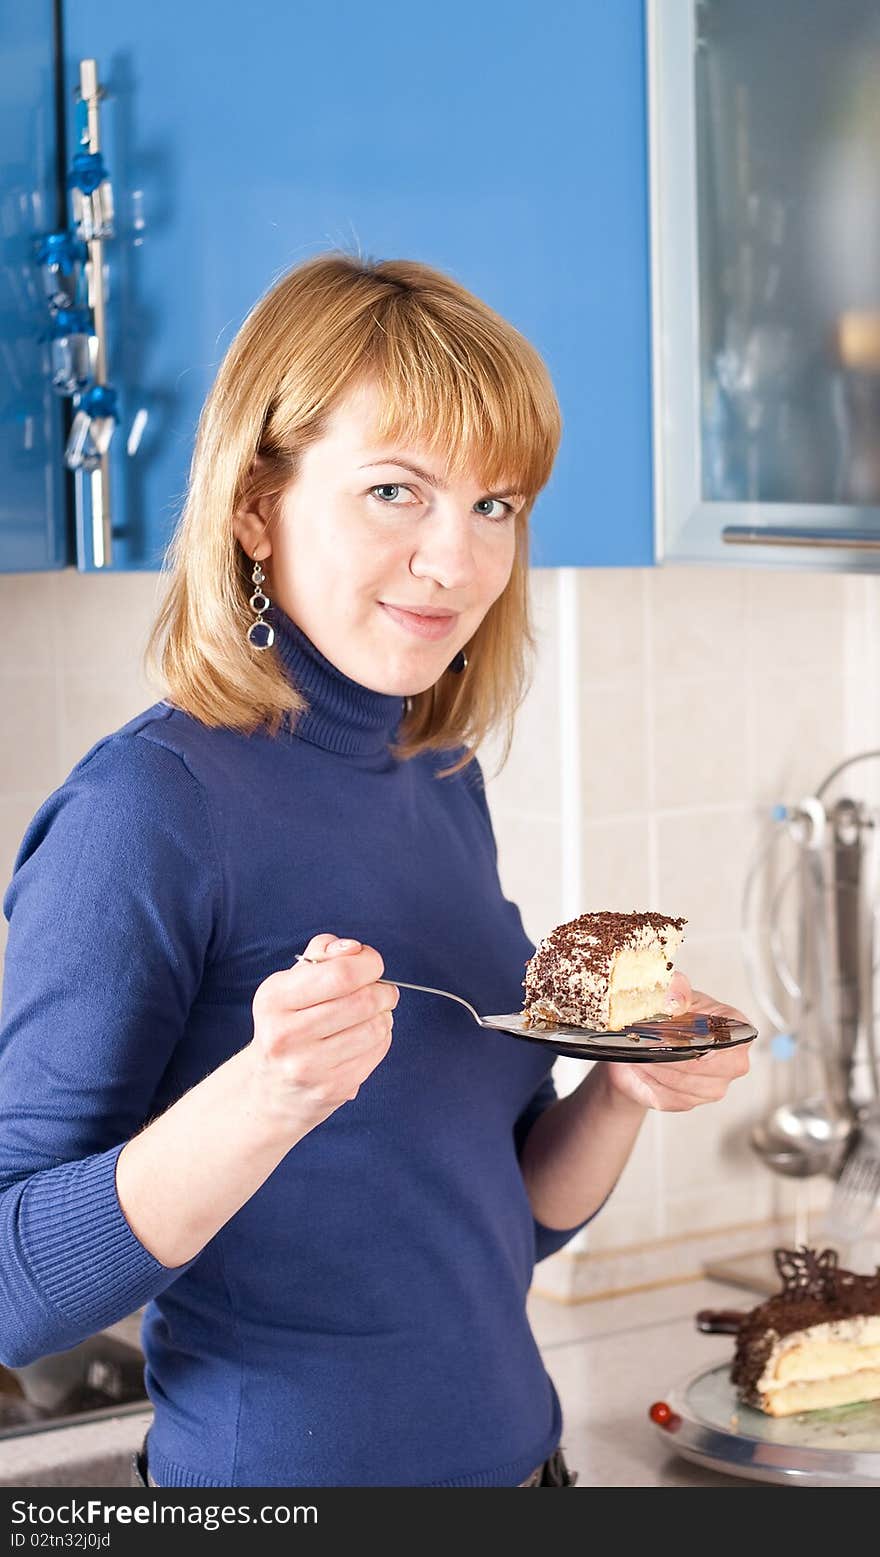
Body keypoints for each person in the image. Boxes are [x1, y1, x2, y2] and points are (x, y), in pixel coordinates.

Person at [0, 253, 751, 1488]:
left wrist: (623, 1090)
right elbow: (18, 1291)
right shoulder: (146, 811)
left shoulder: (439, 776)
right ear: (256, 505)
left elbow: (497, 1229)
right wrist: (268, 1096)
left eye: (494, 505)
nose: (454, 562)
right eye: (395, 491)